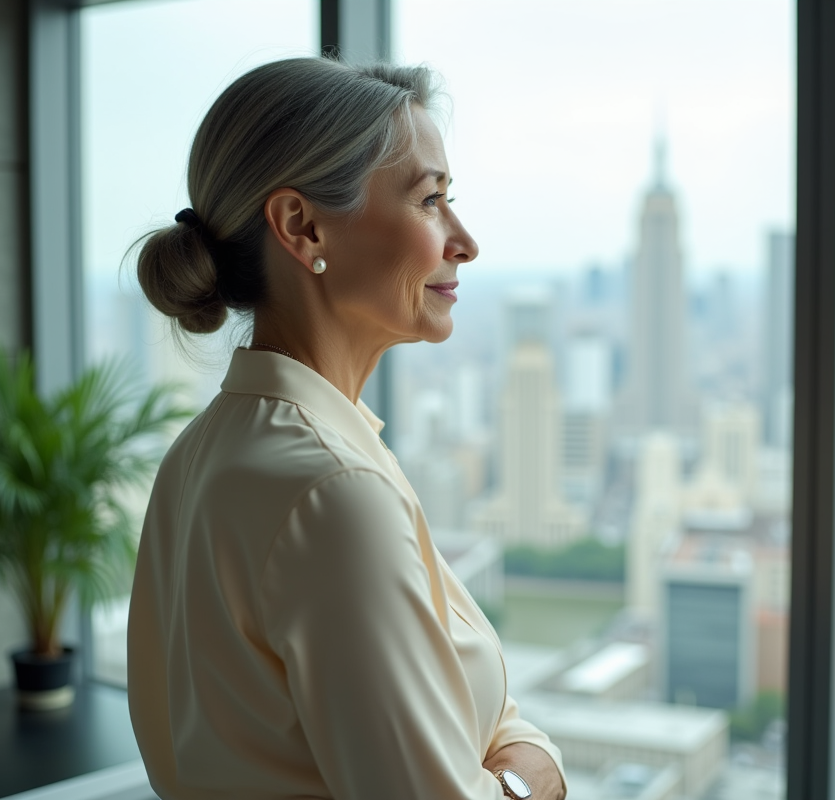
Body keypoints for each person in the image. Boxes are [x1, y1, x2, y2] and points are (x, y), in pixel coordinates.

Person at [126, 57, 567, 800]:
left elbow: (484, 718)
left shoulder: (210, 452)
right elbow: (488, 744)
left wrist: (508, 745)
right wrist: (536, 778)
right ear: (302, 227)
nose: (464, 240)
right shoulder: (333, 491)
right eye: (430, 201)